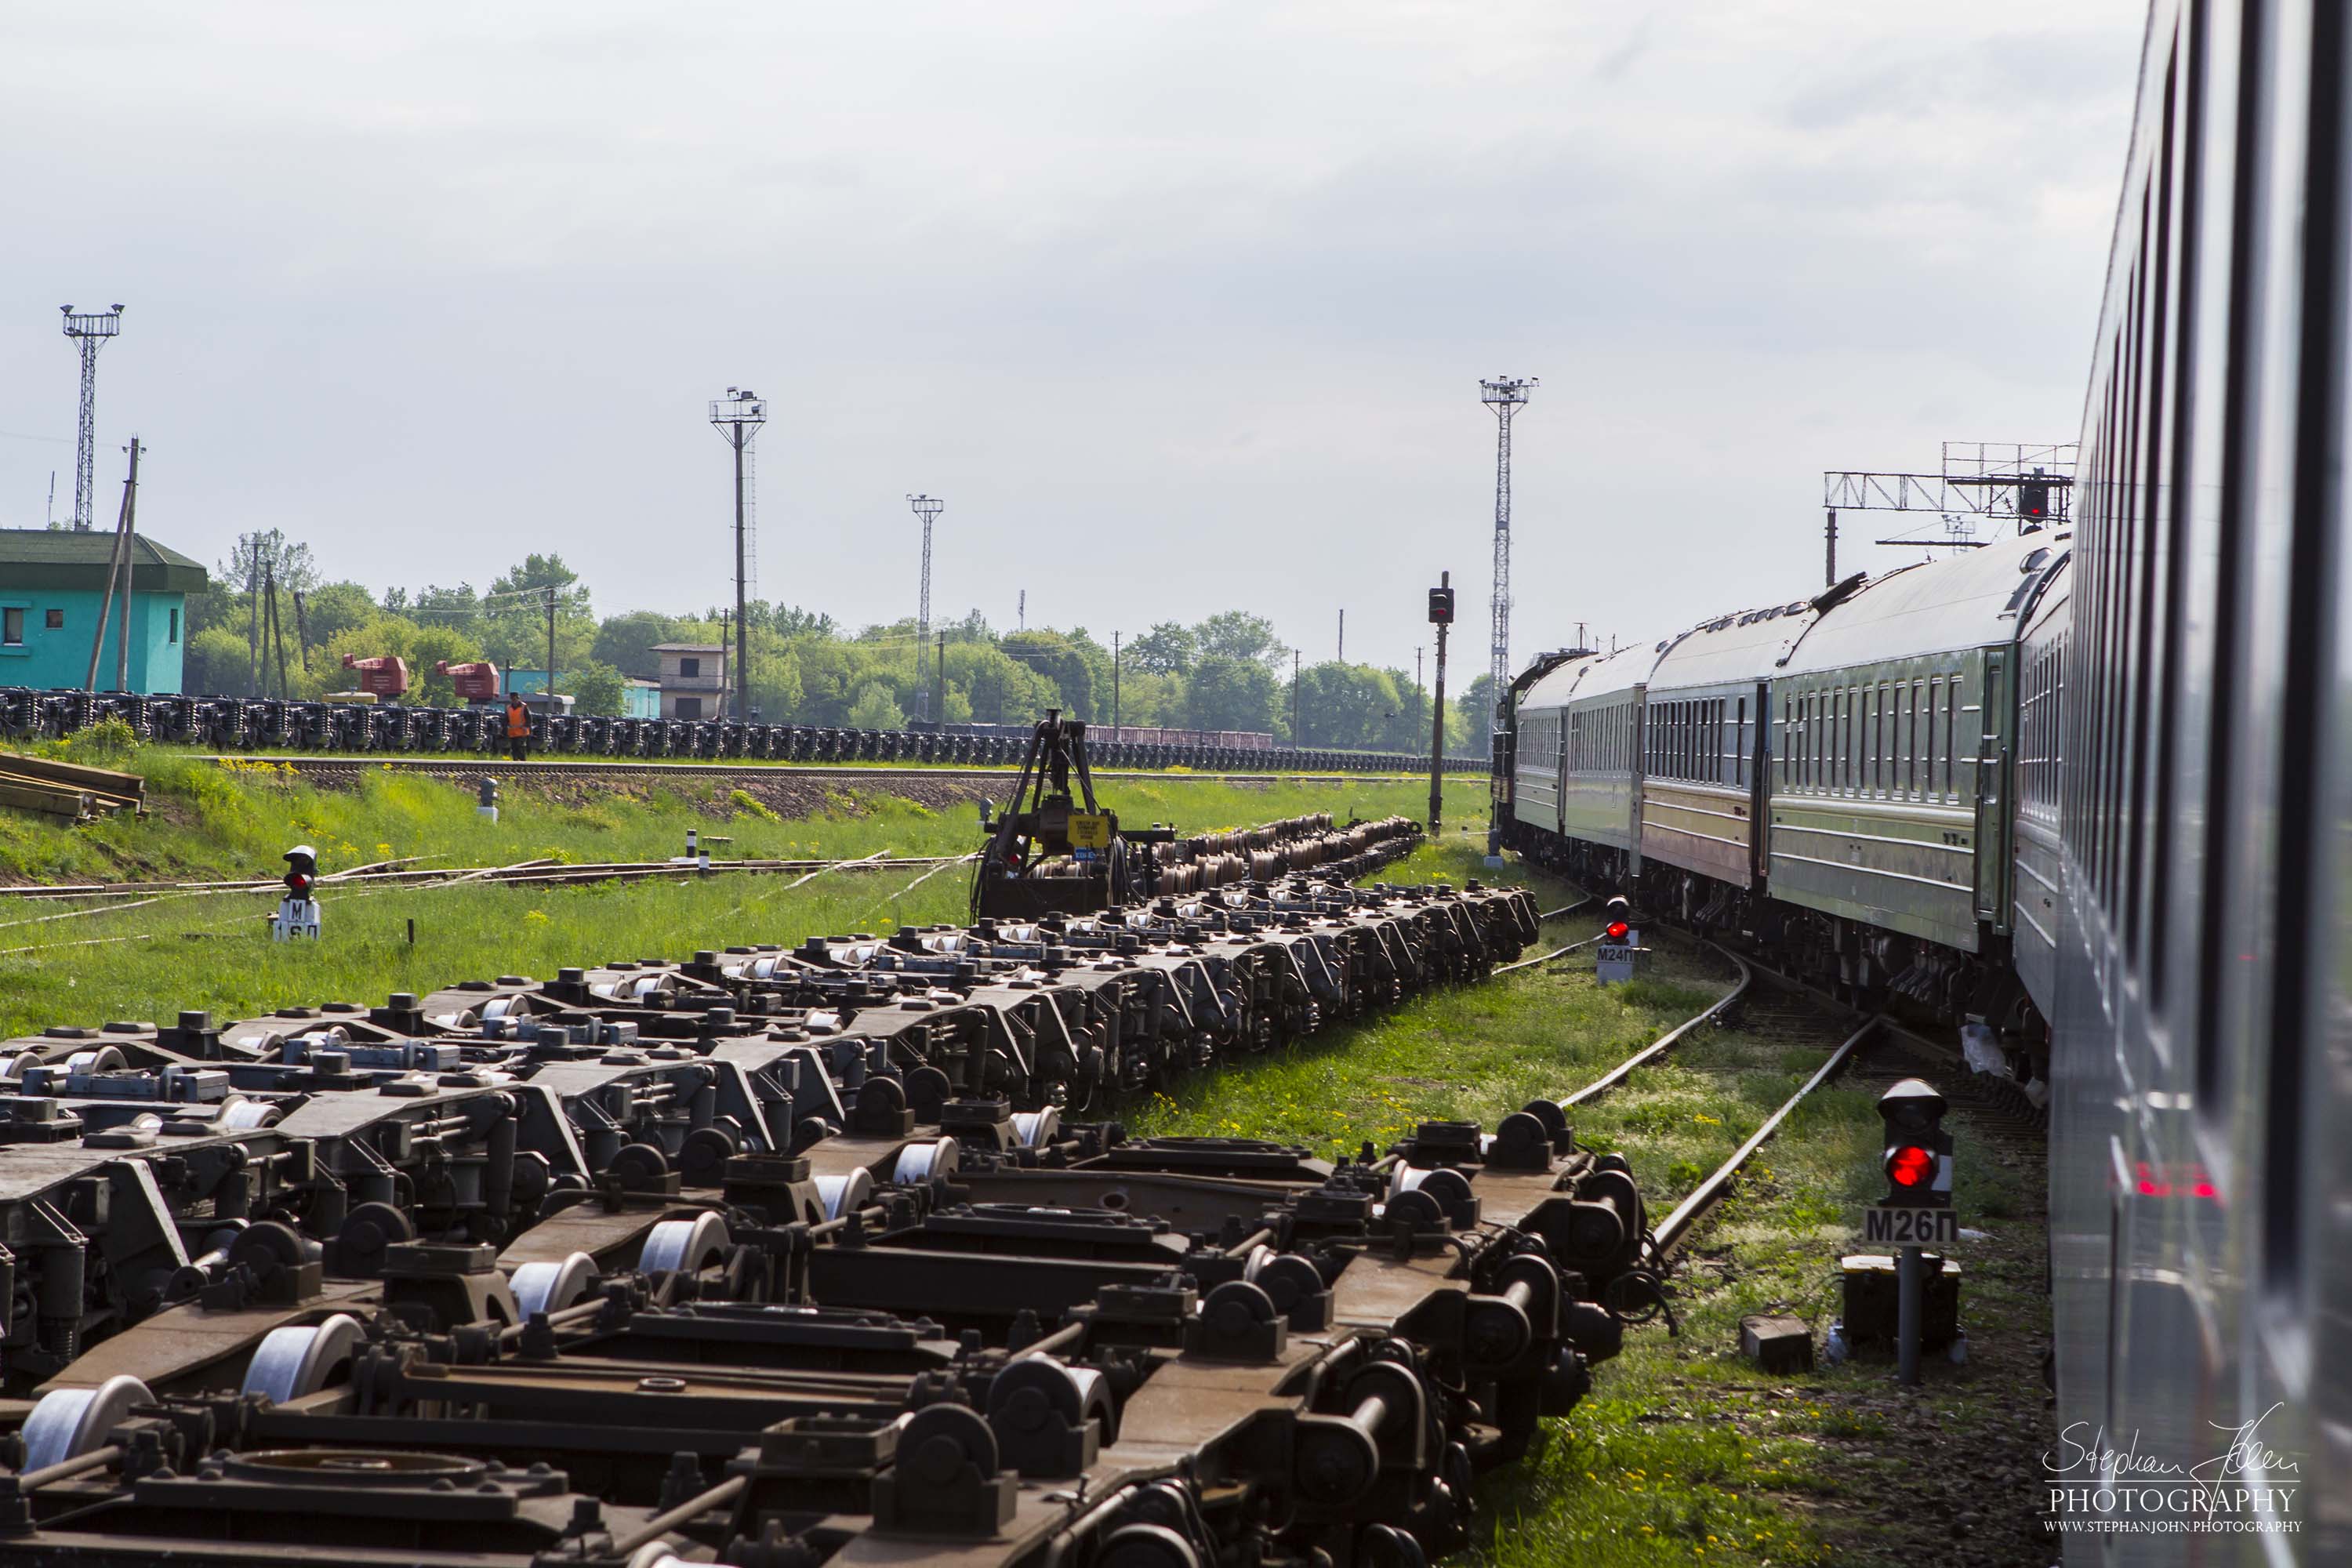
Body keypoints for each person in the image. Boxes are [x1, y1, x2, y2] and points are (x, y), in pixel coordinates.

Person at [505, 693, 531, 762]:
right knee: (514, 748)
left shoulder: (524, 706)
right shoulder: (509, 708)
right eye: (512, 699)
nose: (513, 700)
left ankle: (522, 762)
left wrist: (526, 726)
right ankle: (515, 762)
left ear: (518, 698)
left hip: (521, 731)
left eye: (515, 699)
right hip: (512, 732)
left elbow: (529, 718)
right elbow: (506, 719)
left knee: (520, 747)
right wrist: (505, 727)